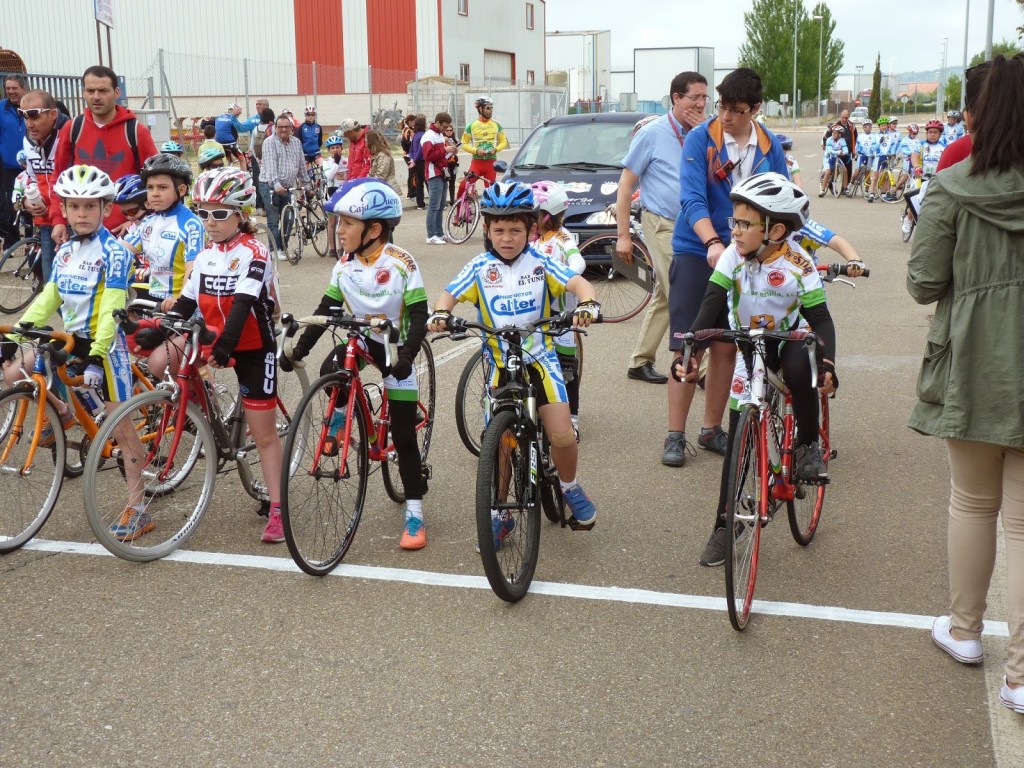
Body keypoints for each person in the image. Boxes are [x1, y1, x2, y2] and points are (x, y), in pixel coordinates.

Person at [906, 54, 1024, 716]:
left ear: (976, 115)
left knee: (974, 503)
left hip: (974, 360)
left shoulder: (951, 185)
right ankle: (1023, 676)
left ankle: (965, 630)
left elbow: (923, 282)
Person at [672, 172, 837, 566]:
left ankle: (807, 445)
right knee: (739, 441)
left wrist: (828, 363)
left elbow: (821, 319)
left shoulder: (799, 264)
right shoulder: (733, 255)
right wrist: (691, 349)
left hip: (790, 338)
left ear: (775, 230)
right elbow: (711, 303)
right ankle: (724, 525)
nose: (734, 230)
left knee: (800, 369)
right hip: (750, 343)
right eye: (734, 221)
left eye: (744, 224)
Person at [427, 181, 601, 537]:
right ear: (487, 229)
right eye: (499, 230)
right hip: (499, 366)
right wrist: (441, 313)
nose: (507, 238)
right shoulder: (479, 267)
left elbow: (579, 283)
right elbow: (448, 296)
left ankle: (569, 486)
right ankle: (500, 510)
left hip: (540, 359)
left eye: (516, 230)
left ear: (531, 229)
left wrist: (587, 303)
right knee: (500, 443)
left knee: (562, 433)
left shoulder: (541, 263)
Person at [281, 179, 430, 549]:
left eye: (347, 223)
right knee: (330, 371)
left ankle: (414, 512)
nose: (339, 229)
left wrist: (407, 358)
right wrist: (298, 350)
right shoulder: (345, 264)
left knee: (404, 437)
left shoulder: (401, 263)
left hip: (396, 346)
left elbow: (419, 316)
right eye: (339, 222)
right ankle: (338, 422)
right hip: (362, 338)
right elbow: (326, 309)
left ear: (374, 230)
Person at [1, 165, 147, 538]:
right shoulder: (65, 250)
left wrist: (97, 355)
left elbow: (113, 307)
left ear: (105, 208)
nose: (81, 214)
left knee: (121, 428)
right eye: (74, 206)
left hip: (104, 345)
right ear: (63, 209)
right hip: (71, 338)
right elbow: (48, 297)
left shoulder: (115, 253)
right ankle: (63, 414)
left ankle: (138, 507)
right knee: (17, 371)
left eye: (90, 206)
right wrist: (16, 333)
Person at [668, 66, 789, 470]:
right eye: (721, 106)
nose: (725, 116)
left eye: (736, 110)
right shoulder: (701, 138)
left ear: (755, 108)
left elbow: (782, 200)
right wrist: (712, 243)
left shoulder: (769, 146)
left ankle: (711, 428)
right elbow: (691, 198)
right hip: (697, 249)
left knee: (725, 345)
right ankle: (674, 433)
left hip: (746, 255)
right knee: (688, 342)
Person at [167, 166, 283, 544]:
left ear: (241, 214)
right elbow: (186, 303)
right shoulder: (205, 256)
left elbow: (244, 303)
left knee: (264, 436)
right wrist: (159, 328)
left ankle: (278, 509)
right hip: (218, 339)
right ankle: (209, 422)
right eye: (202, 213)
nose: (210, 221)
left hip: (251, 346)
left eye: (219, 213)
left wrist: (225, 345)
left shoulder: (255, 252)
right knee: (167, 356)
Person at [616, 71, 709, 386]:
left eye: (704, 97)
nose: (701, 104)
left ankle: (640, 360)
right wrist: (623, 236)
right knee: (685, 292)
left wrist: (706, 134)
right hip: (663, 225)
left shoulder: (708, 132)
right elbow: (626, 185)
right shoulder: (652, 134)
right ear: (676, 98)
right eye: (694, 97)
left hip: (697, 226)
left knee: (666, 295)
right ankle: (702, 370)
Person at [49, 65, 159, 244]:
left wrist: (137, 222)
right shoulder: (73, 128)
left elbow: (156, 183)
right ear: (83, 92)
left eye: (103, 91)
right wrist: (58, 220)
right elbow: (58, 177)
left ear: (116, 92)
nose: (96, 97)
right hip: (80, 233)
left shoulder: (136, 132)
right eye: (90, 90)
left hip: (125, 236)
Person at [122, 153, 204, 381]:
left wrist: (180, 298)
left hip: (184, 305)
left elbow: (193, 266)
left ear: (182, 190)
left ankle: (206, 391)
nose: (155, 193)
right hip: (154, 303)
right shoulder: (149, 222)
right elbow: (120, 252)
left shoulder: (191, 223)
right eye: (150, 187)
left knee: (180, 365)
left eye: (162, 187)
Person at [531, 180, 586, 439]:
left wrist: (564, 279)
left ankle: (572, 417)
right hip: (536, 309)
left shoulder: (562, 238)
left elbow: (578, 261)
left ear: (547, 216)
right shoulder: (532, 238)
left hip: (561, 313)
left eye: (533, 214)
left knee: (566, 367)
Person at [19, 88, 69, 281]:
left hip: (74, 221)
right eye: (24, 117)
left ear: (53, 114)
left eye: (34, 116)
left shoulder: (69, 134)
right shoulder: (28, 139)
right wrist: (26, 200)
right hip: (47, 222)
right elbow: (30, 177)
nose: (29, 124)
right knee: (51, 283)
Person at [260, 115, 310, 259]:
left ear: (291, 128)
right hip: (270, 185)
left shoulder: (296, 142)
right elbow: (270, 166)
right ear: (275, 128)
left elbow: (301, 166)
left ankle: (283, 247)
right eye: (280, 127)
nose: (283, 130)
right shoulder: (269, 142)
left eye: (286, 127)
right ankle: (275, 250)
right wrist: (276, 184)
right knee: (273, 220)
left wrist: (307, 185)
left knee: (289, 218)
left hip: (288, 187)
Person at [458, 97, 508, 201]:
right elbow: (463, 144)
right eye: (488, 108)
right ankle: (459, 211)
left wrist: (495, 149)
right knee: (463, 186)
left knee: (491, 194)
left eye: (492, 108)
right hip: (477, 164)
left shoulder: (496, 125)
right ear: (480, 109)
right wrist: (476, 151)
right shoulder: (471, 126)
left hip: (491, 164)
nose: (491, 110)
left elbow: (504, 142)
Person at [0, 75, 27, 250]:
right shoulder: (1, 108)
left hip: (30, 165)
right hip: (8, 166)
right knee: (12, 202)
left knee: (30, 201)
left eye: (14, 88)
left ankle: (31, 239)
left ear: (23, 88)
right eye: (8, 88)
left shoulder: (31, 106)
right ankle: (12, 241)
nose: (11, 91)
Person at [421, 112, 454, 244]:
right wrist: (445, 150)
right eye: (444, 127)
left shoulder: (439, 135)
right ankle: (431, 235)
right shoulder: (429, 136)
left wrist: (450, 151)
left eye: (447, 127)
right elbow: (428, 156)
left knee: (440, 206)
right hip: (433, 173)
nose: (445, 130)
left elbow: (440, 155)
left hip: (442, 172)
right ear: (438, 123)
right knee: (434, 206)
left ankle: (439, 233)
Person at [322, 134, 348, 259]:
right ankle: (332, 248)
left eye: (337, 147)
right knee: (332, 222)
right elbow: (329, 176)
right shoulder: (327, 162)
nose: (335, 150)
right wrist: (336, 163)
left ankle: (341, 247)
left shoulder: (346, 161)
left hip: (344, 192)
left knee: (342, 221)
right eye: (332, 148)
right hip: (331, 193)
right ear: (329, 150)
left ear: (341, 148)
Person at [214, 103, 249, 169]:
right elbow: (236, 133)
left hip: (218, 144)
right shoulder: (232, 119)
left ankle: (228, 168)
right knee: (242, 159)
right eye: (238, 113)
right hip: (230, 144)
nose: (239, 114)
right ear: (233, 110)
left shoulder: (218, 117)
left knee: (229, 160)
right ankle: (244, 174)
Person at [366, 129, 399, 196]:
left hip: (388, 190)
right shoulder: (376, 155)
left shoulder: (383, 156)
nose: (365, 143)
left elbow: (381, 176)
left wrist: (369, 184)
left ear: (371, 143)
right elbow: (371, 173)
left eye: (366, 141)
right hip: (381, 188)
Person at [819, 124, 848, 197]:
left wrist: (844, 152)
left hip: (837, 157)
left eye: (836, 133)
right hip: (828, 157)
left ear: (839, 134)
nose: (834, 134)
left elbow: (846, 150)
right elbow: (830, 150)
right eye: (833, 132)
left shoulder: (842, 140)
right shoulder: (829, 139)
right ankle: (822, 190)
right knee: (828, 172)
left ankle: (845, 188)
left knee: (844, 170)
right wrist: (838, 152)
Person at [408, 114, 427, 210]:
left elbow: (411, 149)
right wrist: (415, 160)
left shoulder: (415, 135)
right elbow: (421, 149)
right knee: (428, 182)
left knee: (419, 183)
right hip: (422, 161)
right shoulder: (424, 135)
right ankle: (434, 202)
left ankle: (420, 204)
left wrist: (412, 159)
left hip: (415, 161)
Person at [400, 114, 417, 199]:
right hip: (408, 155)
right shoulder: (408, 130)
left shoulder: (410, 130)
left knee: (413, 172)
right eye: (412, 121)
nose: (413, 123)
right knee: (412, 173)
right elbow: (404, 142)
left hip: (409, 154)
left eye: (414, 121)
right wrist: (409, 151)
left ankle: (413, 191)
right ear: (408, 122)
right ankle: (411, 192)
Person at [443, 123, 460, 206]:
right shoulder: (442, 139)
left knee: (452, 182)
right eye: (447, 130)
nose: (449, 132)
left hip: (454, 162)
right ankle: (444, 200)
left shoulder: (454, 138)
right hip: (446, 163)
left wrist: (450, 141)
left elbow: (457, 148)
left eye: (451, 130)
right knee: (445, 182)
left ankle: (452, 200)